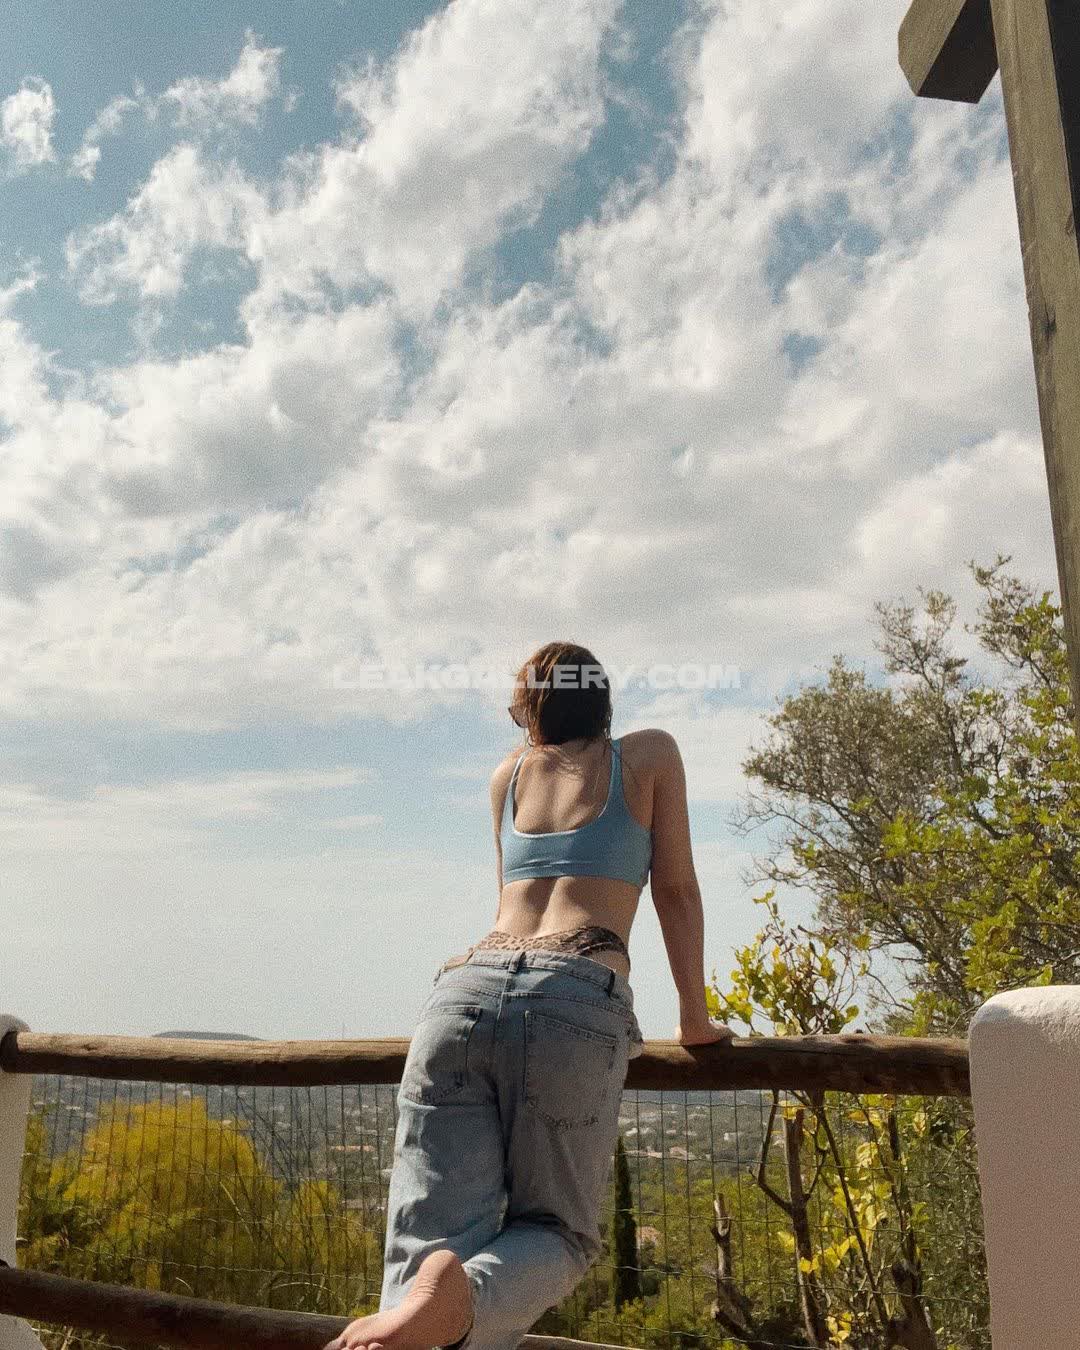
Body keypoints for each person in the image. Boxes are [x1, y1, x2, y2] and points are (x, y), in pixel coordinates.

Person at [326, 642, 734, 1350]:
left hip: (462, 994)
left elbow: (507, 905)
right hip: (572, 990)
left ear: (533, 708)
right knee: (556, 1234)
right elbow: (675, 890)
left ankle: (407, 1321)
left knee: (428, 1243)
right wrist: (693, 1019)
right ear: (600, 700)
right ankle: (459, 1304)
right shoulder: (650, 756)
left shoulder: (508, 776)